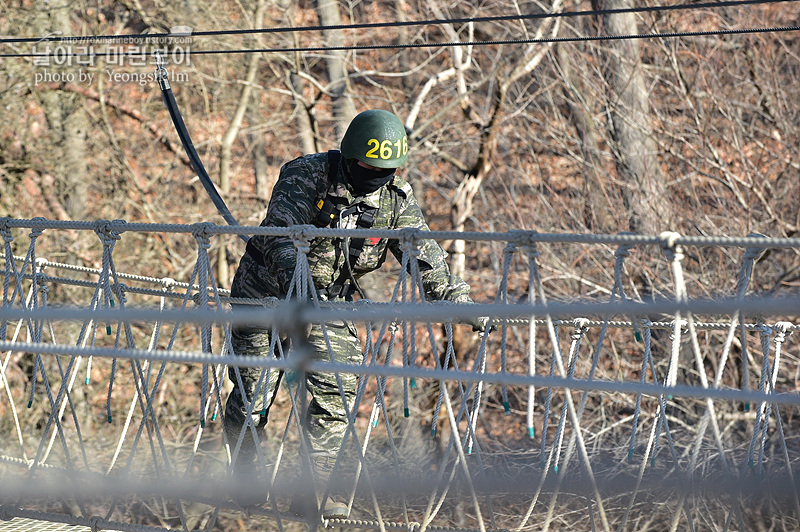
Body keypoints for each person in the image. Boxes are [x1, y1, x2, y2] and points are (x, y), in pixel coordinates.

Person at [223, 109, 488, 519]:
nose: (376, 175)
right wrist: (301, 291)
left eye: (386, 169)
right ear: (349, 158)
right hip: (265, 295)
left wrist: (456, 301)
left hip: (327, 303)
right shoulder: (307, 176)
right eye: (368, 166)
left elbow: (424, 256)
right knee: (254, 391)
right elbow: (281, 239)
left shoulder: (396, 201)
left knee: (340, 389)